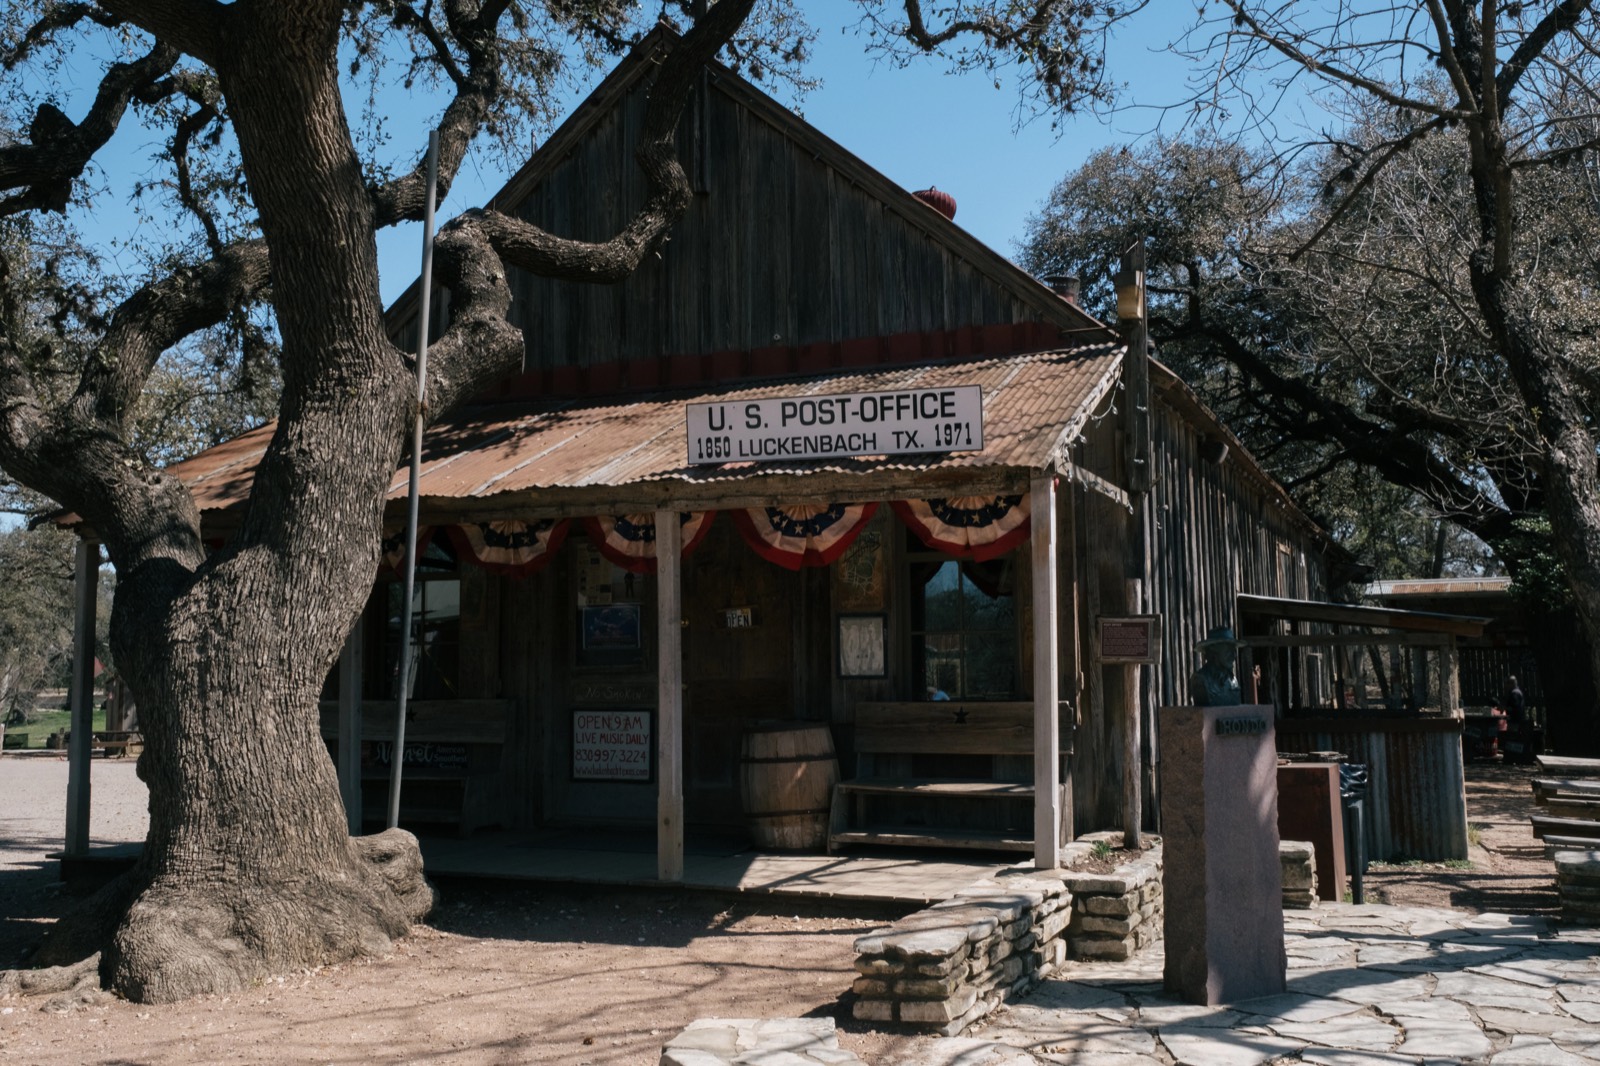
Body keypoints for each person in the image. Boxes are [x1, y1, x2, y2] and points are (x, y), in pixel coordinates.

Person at [1188, 626, 1242, 706]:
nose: (1234, 656)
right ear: (1214, 651)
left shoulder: (1233, 681)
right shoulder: (1200, 680)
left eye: (1234, 651)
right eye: (1228, 650)